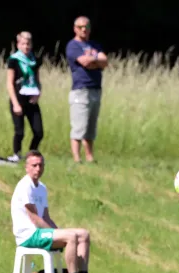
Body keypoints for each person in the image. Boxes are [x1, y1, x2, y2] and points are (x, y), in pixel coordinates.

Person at [10, 150, 99, 273]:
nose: (38, 169)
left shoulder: (42, 188)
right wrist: (58, 233)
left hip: (39, 233)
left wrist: (58, 231)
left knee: (83, 234)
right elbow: (34, 218)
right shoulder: (24, 186)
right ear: (26, 167)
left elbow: (45, 217)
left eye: (40, 165)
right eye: (34, 165)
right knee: (71, 237)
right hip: (28, 235)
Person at [65, 16, 108, 164]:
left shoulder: (94, 44)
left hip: (96, 89)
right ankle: (77, 158)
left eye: (87, 26)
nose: (84, 29)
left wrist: (93, 59)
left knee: (91, 126)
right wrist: (96, 60)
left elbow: (105, 61)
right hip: (80, 90)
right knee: (79, 126)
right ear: (75, 28)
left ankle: (90, 157)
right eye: (81, 27)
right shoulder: (72, 46)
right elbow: (84, 62)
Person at [5, 31, 44, 164]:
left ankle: (31, 154)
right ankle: (16, 154)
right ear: (18, 44)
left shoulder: (35, 60)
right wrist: (15, 103)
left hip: (31, 99)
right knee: (20, 131)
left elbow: (38, 81)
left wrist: (38, 94)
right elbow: (9, 83)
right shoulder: (13, 60)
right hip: (18, 98)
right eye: (23, 44)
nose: (26, 46)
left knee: (39, 132)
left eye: (28, 44)